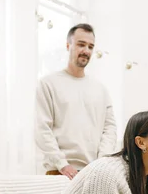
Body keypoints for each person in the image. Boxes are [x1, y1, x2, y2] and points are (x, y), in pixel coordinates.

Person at [35, 23, 117, 179]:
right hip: (59, 172)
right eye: (81, 44)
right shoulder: (48, 84)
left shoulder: (101, 89)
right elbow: (42, 128)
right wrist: (62, 164)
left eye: (90, 46)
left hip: (94, 173)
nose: (86, 50)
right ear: (68, 45)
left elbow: (110, 128)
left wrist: (101, 162)